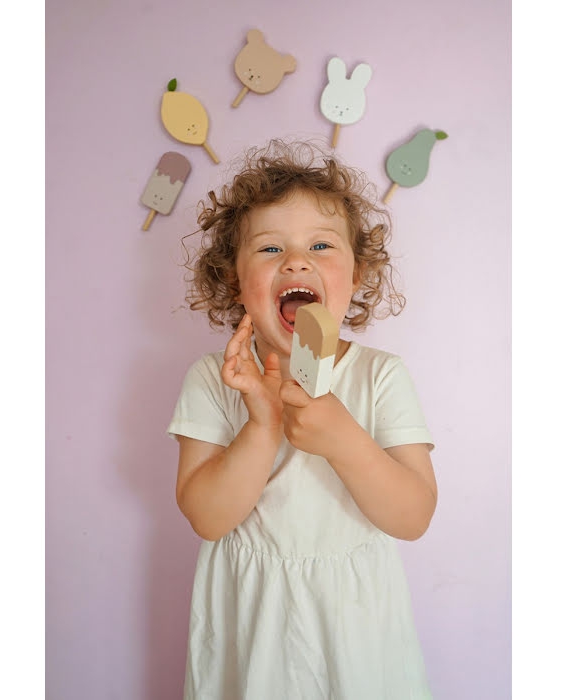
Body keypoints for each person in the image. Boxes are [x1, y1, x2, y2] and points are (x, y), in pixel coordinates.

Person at [167, 139, 437, 699]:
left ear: (357, 275)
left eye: (320, 245)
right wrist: (261, 426)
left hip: (355, 626)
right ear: (234, 280)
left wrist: (343, 440)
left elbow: (413, 517)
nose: (295, 260)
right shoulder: (216, 378)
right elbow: (208, 519)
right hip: (251, 623)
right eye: (270, 248)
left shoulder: (381, 376)